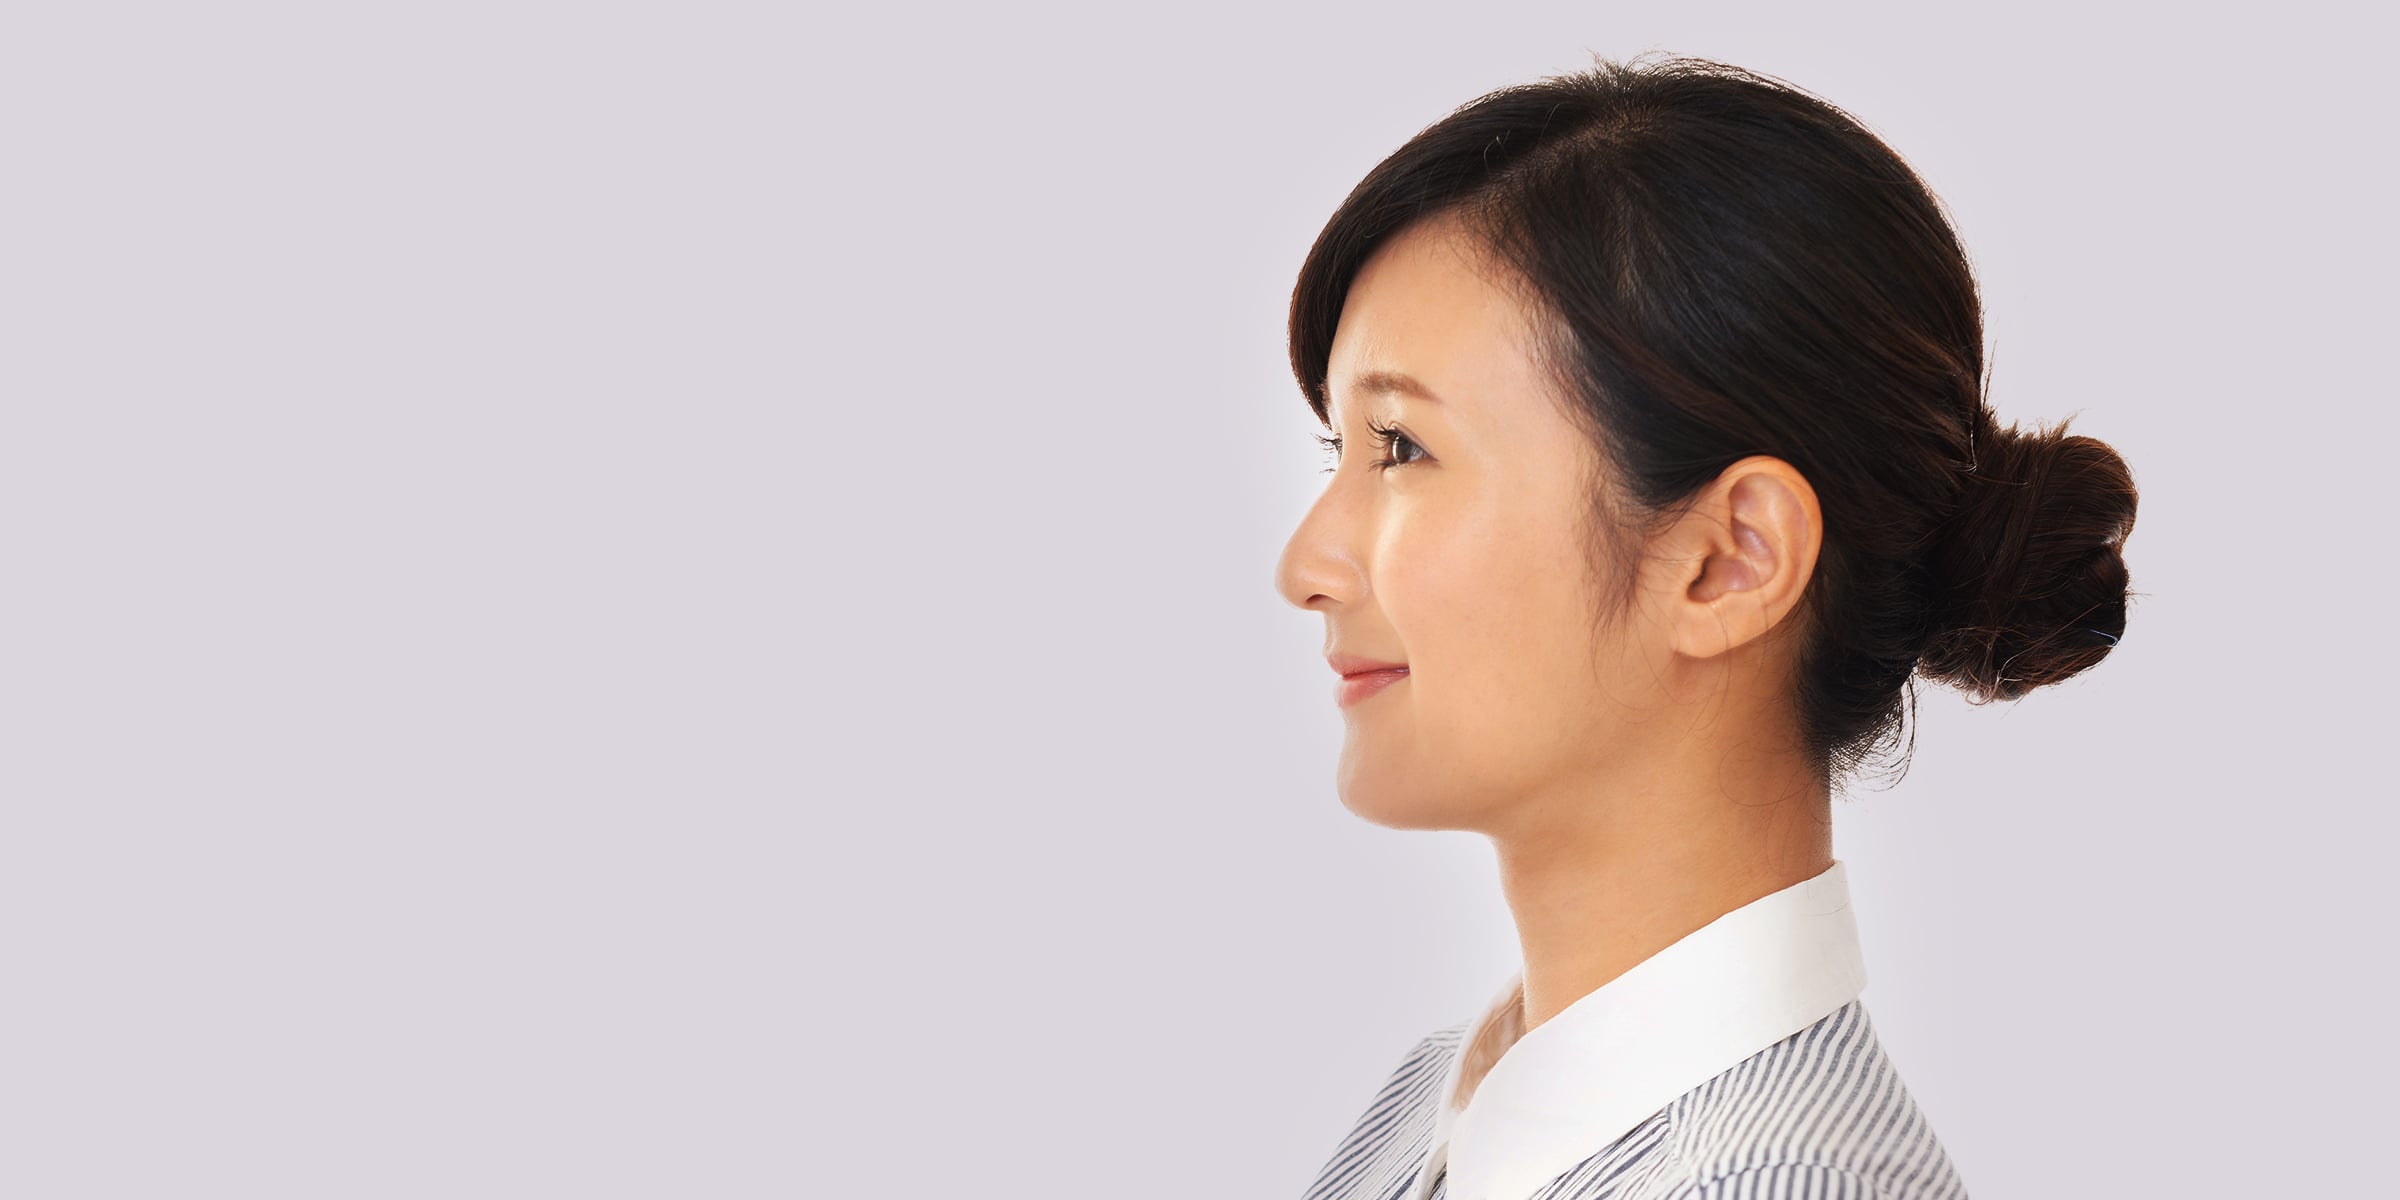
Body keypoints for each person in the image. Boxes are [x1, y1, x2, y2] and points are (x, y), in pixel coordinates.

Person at [1275, 55, 2138, 1200]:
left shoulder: (1784, 1184)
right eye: (1342, 451)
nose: (1306, 566)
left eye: (1403, 449)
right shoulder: (1429, 1111)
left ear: (1732, 559)